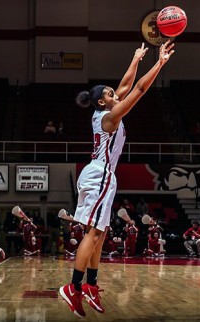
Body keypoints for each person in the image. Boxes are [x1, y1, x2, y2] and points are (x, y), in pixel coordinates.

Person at [59, 40, 175, 318]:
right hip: (100, 174)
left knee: (99, 233)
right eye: (111, 94)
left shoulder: (104, 111)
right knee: (95, 233)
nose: (117, 94)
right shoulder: (110, 118)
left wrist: (136, 60)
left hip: (99, 174)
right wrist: (159, 63)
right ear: (102, 101)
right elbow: (138, 90)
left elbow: (124, 86)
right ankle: (73, 287)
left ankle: (91, 285)